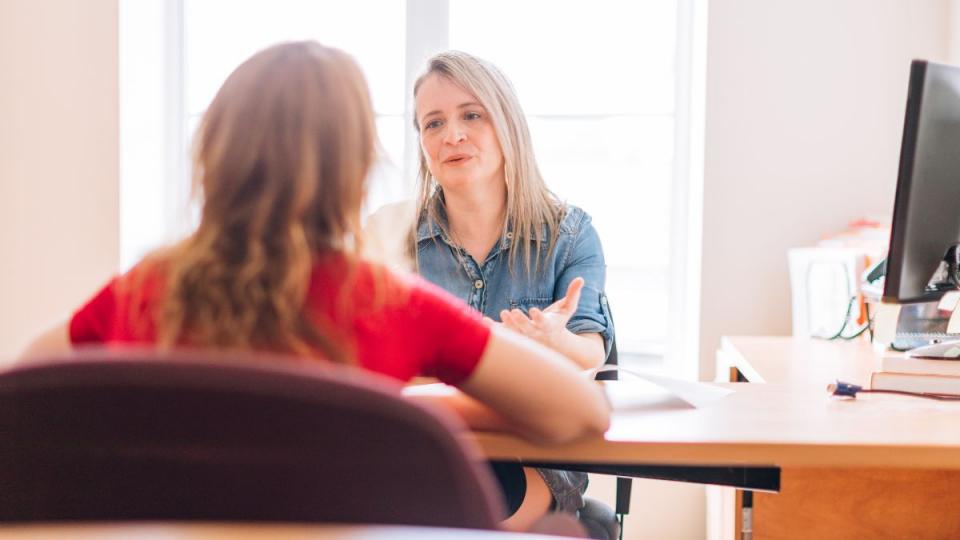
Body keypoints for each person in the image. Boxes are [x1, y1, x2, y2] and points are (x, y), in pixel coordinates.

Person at [19, 41, 610, 515]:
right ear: (354, 172)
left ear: (213, 159)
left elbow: (24, 390)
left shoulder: (146, 292)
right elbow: (585, 413)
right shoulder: (393, 305)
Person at [367, 51, 616, 530]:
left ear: (507, 124)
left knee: (464, 509)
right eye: (432, 124)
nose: (452, 136)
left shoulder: (570, 234)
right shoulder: (388, 233)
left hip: (533, 458)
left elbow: (591, 357)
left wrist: (552, 341)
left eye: (471, 115)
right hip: (426, 448)